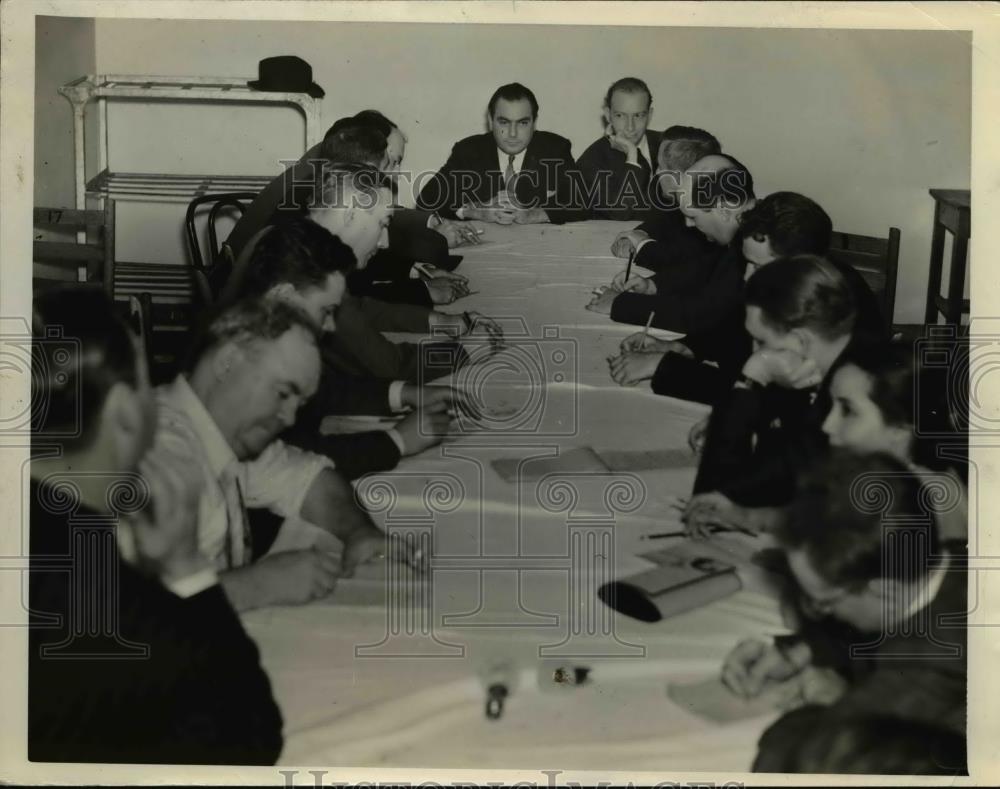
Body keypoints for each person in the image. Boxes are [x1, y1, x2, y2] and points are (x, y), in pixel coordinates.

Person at [29, 288, 283, 764]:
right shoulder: (103, 593)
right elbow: (250, 742)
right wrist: (187, 566)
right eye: (149, 381)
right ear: (126, 412)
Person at [155, 298, 424, 612]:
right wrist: (257, 585)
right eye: (282, 393)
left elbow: (310, 478)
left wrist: (359, 533)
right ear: (227, 362)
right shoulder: (156, 454)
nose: (290, 418)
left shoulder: (221, 434)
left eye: (298, 402)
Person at [721, 451, 966, 773]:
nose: (817, 613)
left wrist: (826, 707)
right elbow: (878, 628)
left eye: (822, 603)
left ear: (885, 590)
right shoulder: (957, 555)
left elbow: (798, 764)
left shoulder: (930, 668)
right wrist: (805, 649)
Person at [233, 216, 463, 480]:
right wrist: (396, 441)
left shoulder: (264, 333)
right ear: (283, 296)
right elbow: (295, 458)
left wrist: (403, 393)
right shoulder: (246, 370)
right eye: (326, 311)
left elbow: (321, 391)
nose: (331, 326)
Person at [610, 191, 886, 403]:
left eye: (757, 267)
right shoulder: (796, 284)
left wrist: (665, 367)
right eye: (747, 264)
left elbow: (774, 398)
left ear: (801, 264)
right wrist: (685, 348)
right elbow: (738, 331)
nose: (746, 277)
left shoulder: (826, 310)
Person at [687, 255, 861, 512]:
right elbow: (780, 459)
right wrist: (736, 413)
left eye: (762, 342)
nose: (756, 353)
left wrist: (751, 378)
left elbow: (717, 492)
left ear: (801, 340)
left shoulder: (853, 396)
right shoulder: (835, 359)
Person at [599, 153, 757, 335]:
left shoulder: (762, 244)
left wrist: (621, 305)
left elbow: (708, 313)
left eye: (693, 217)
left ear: (722, 210)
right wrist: (653, 286)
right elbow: (707, 269)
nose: (690, 225)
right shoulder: (748, 228)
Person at [417, 82, 585, 224]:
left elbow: (582, 202)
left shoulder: (555, 149)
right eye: (504, 122)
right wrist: (476, 210)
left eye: (522, 123)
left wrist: (533, 214)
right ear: (490, 121)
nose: (512, 134)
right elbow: (426, 201)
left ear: (534, 122)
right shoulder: (468, 151)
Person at [575, 77, 662, 220]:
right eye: (620, 115)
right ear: (608, 115)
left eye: (638, 115)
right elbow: (620, 213)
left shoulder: (666, 143)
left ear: (649, 115)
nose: (630, 127)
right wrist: (632, 156)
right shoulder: (592, 159)